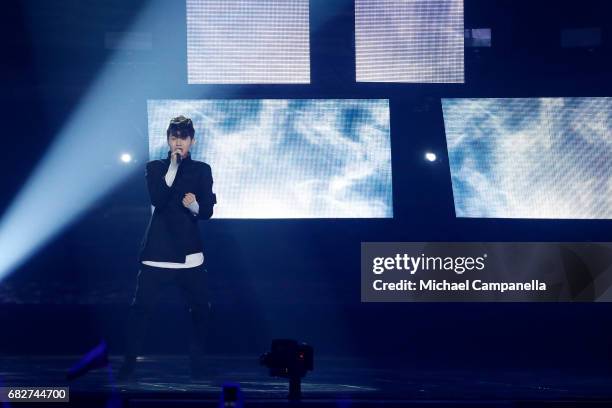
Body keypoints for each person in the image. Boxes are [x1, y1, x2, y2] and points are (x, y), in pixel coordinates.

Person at [118, 115, 216, 380]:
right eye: (174, 137)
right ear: (168, 139)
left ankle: (197, 363)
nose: (178, 142)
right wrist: (172, 167)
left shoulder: (202, 170)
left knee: (200, 310)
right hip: (157, 255)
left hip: (190, 257)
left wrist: (194, 205)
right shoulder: (155, 167)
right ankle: (128, 364)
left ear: (192, 140)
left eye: (183, 137)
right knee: (141, 312)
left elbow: (206, 211)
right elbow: (158, 199)